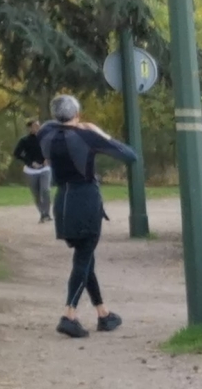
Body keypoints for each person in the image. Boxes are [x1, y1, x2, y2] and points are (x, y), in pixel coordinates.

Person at [38, 94, 137, 338]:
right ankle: (68, 314)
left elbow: (54, 124)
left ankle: (103, 314)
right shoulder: (86, 135)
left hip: (62, 202)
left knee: (85, 258)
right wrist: (100, 133)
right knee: (83, 259)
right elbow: (130, 156)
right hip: (85, 201)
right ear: (78, 115)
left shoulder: (45, 133)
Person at [12, 124, 53, 222]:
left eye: (38, 126)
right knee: (36, 193)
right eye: (35, 126)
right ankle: (42, 213)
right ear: (29, 128)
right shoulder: (24, 141)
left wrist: (47, 158)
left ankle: (46, 213)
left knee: (45, 190)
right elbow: (17, 154)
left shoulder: (46, 139)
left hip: (45, 169)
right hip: (31, 170)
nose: (37, 128)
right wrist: (30, 162)